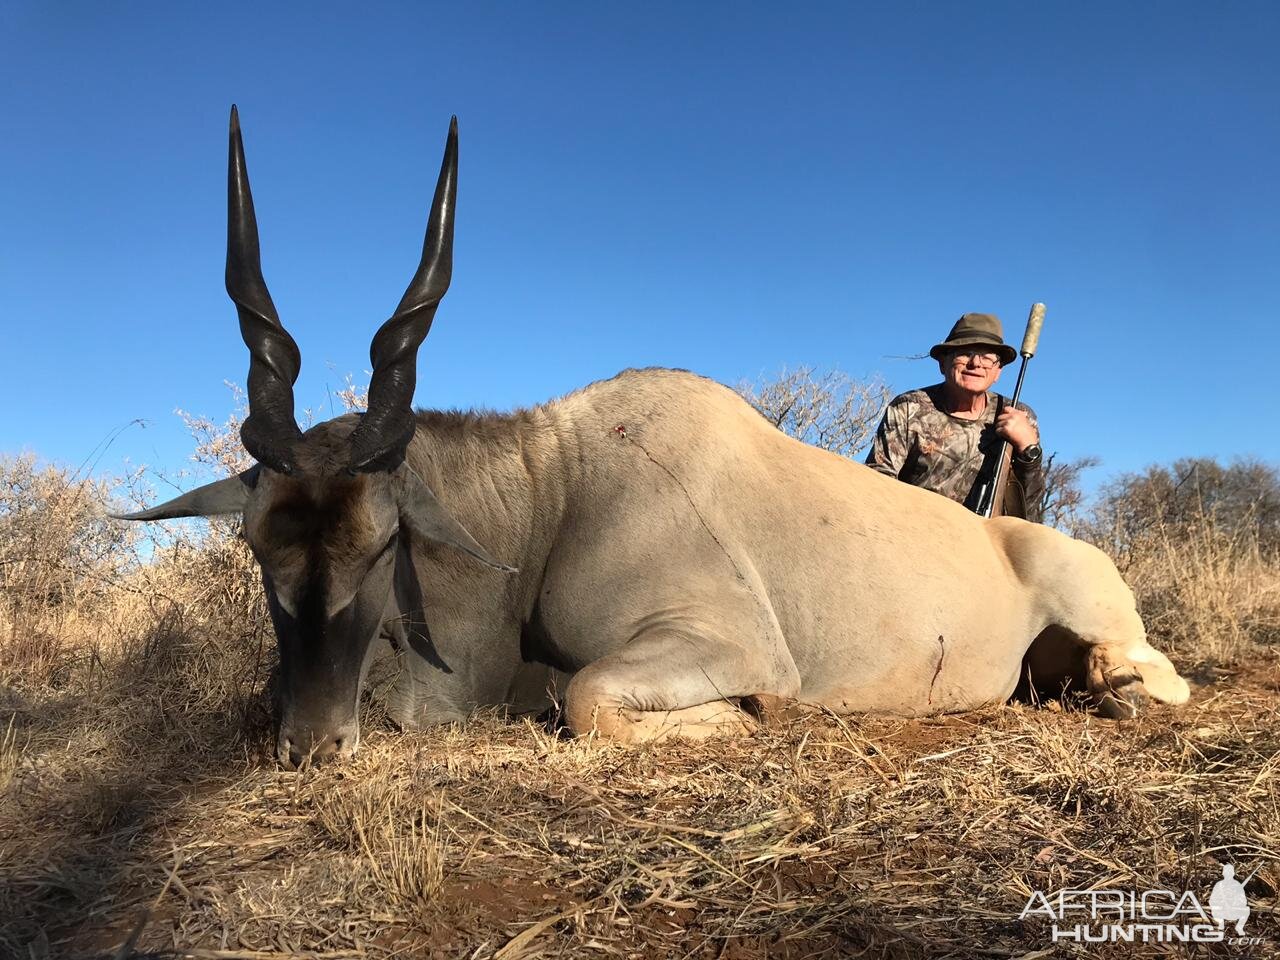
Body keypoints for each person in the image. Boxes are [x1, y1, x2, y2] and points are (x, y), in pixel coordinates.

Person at [865, 312, 1045, 521]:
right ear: (943, 364)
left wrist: (1029, 451)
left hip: (985, 540)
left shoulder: (1019, 416)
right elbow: (876, 482)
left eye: (987, 358)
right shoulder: (908, 407)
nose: (976, 363)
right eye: (965, 353)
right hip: (912, 528)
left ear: (997, 372)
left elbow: (1029, 512)